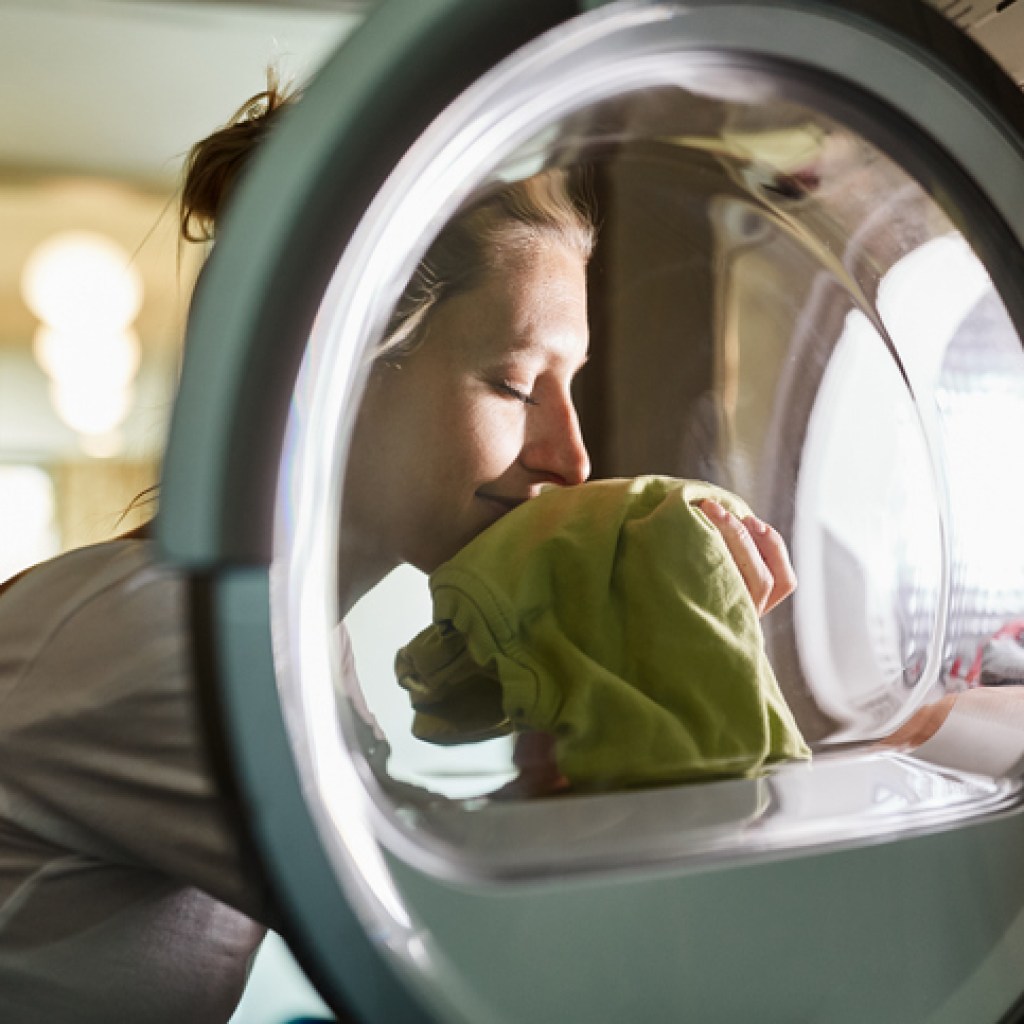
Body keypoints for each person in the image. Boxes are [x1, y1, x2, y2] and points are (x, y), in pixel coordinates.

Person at [0, 83, 798, 1024]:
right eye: (515, 384)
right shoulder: (172, 648)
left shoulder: (274, 639)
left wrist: (570, 732)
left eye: (569, 388)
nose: (571, 457)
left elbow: (446, 878)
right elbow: (466, 944)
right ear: (334, 365)